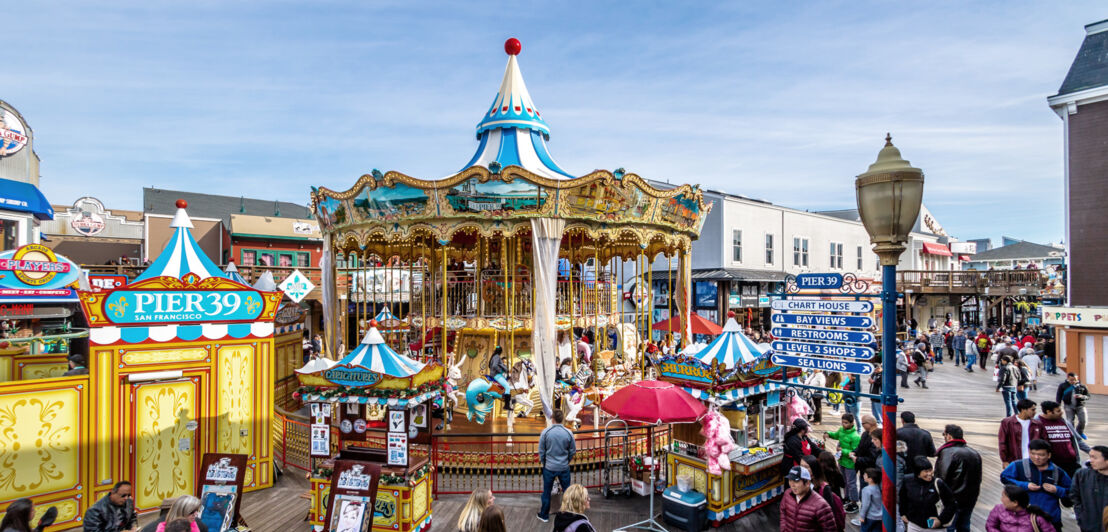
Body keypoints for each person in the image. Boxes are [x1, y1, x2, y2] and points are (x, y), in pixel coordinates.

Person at [1000, 439, 1073, 530]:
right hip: (1023, 519)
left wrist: (1057, 490)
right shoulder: (1018, 465)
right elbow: (1004, 478)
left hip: (1050, 520)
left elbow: (1072, 491)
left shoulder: (1058, 472)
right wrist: (1025, 486)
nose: (1036, 457)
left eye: (1041, 455)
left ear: (1049, 455)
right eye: (1033, 454)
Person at [934, 424, 982, 532]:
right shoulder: (974, 453)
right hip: (970, 497)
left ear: (949, 436)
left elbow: (941, 478)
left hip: (953, 497)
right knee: (964, 525)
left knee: (949, 526)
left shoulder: (948, 452)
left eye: (944, 435)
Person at [537, 409, 576, 522]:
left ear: (552, 418)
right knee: (567, 491)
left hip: (549, 467)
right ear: (562, 419)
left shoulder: (546, 432)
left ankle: (544, 515)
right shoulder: (568, 433)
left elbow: (541, 450)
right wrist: (566, 460)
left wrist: (545, 462)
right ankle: (569, 514)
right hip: (563, 466)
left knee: (547, 491)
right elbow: (572, 450)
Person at [899, 456, 956, 532]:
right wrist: (903, 514)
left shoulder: (938, 483)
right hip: (914, 525)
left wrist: (940, 520)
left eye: (930, 470)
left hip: (934, 527)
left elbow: (951, 504)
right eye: (926, 471)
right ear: (917, 472)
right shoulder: (907, 481)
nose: (929, 474)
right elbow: (903, 499)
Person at [1036, 400, 1091, 477]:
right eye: (1058, 411)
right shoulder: (1037, 423)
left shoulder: (1065, 422)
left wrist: (1091, 451)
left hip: (1072, 464)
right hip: (1052, 466)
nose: (1062, 412)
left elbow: (1078, 441)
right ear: (1048, 412)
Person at [779, 466, 838, 532]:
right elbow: (783, 512)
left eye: (796, 481)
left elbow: (830, 529)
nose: (792, 485)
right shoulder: (787, 493)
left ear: (807, 483)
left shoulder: (821, 505)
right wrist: (783, 529)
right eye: (790, 480)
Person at [824, 414, 861, 513]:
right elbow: (836, 435)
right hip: (841, 461)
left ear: (852, 423)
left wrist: (842, 450)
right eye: (843, 422)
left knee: (851, 483)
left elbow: (855, 451)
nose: (844, 424)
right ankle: (847, 498)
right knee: (844, 481)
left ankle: (854, 503)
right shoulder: (841, 430)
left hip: (850, 464)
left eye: (846, 423)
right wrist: (829, 434)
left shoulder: (855, 437)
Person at [801, 455, 846, 531]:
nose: (802, 469)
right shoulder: (802, 482)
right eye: (801, 466)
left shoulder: (824, 488)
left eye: (806, 467)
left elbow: (830, 514)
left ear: (813, 468)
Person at [985, 485, 1057, 532]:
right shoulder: (998, 509)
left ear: (1015, 503)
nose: (1001, 500)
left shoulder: (1036, 517)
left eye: (1004, 497)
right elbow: (990, 525)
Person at [1071, 445, 1108, 532]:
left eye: (1094, 458)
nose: (1091, 460)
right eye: (1090, 457)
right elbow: (1074, 496)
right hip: (1088, 526)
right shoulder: (1082, 475)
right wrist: (1081, 516)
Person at [999, 399, 1045, 468]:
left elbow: (1044, 441)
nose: (1035, 412)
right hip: (1015, 461)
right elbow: (1002, 442)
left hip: (1034, 461)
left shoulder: (1038, 424)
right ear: (1023, 410)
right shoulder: (1007, 422)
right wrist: (1005, 460)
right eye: (1032, 410)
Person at [140, 496, 207, 532]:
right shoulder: (153, 528)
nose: (195, 514)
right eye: (192, 511)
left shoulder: (197, 524)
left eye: (197, 510)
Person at [1057, 373, 1090, 438]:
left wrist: (1082, 396)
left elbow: (1088, 396)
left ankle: (1079, 432)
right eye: (1071, 380)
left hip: (1080, 406)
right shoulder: (1063, 386)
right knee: (1070, 421)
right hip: (1068, 406)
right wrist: (1058, 405)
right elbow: (1059, 395)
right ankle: (1072, 435)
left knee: (1083, 421)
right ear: (1068, 378)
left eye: (1075, 380)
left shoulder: (1082, 386)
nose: (1073, 381)